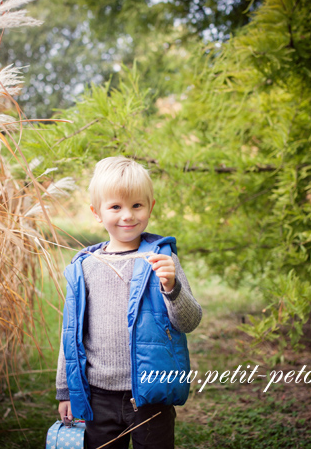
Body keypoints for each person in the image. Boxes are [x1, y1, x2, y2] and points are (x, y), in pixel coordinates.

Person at [55, 156, 202, 449]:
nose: (128, 215)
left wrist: (171, 286)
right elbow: (70, 334)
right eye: (115, 207)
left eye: (137, 205)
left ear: (151, 206)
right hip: (98, 395)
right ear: (96, 212)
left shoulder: (162, 259)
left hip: (150, 394)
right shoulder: (85, 266)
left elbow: (189, 321)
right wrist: (65, 390)